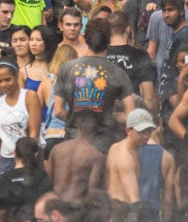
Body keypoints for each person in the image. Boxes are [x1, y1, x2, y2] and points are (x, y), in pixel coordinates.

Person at [51, 18, 134, 152]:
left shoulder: (67, 69)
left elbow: (58, 110)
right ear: (109, 40)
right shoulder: (118, 73)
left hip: (73, 142)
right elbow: (131, 114)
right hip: (103, 146)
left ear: (86, 38)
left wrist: (75, 119)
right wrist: (107, 116)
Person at [106, 109, 175, 222]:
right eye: (141, 132)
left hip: (116, 215)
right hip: (125, 219)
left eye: (149, 131)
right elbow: (134, 201)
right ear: (128, 130)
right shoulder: (126, 157)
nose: (146, 136)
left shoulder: (115, 147)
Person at [0, 61, 41, 179]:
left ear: (16, 77)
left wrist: (25, 158)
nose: (3, 84)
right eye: (0, 81)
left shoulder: (29, 96)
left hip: (28, 156)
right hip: (7, 157)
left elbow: (34, 132)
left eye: (7, 79)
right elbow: (0, 134)